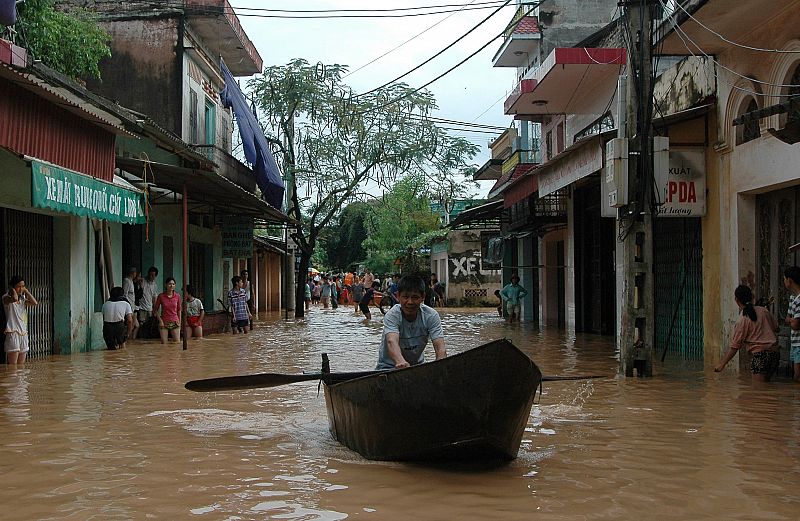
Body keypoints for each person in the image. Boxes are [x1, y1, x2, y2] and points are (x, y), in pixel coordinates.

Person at [376, 274, 447, 370]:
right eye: (405, 297)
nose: (409, 302)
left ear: (423, 297)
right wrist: (400, 362)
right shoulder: (393, 315)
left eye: (415, 297)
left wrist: (440, 367)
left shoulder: (431, 316)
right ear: (398, 296)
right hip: (388, 368)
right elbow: (391, 341)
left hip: (417, 367)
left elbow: (440, 348)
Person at [715, 285, 780, 382]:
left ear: (736, 300)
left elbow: (735, 346)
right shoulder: (764, 311)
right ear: (752, 297)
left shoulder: (742, 320)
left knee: (757, 391)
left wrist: (722, 364)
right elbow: (777, 328)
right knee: (766, 388)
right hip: (774, 354)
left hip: (759, 356)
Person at [2, 275, 38, 365]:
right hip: (13, 332)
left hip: (23, 333)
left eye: (23, 286)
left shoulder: (22, 300)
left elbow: (34, 302)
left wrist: (25, 290)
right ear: (13, 287)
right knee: (13, 367)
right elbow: (14, 299)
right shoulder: (6, 298)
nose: (21, 289)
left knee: (21, 367)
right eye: (19, 286)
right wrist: (13, 290)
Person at [153, 277, 181, 344]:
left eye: (173, 284)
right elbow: (155, 310)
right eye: (170, 284)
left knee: (177, 343)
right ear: (166, 285)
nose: (171, 286)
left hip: (175, 321)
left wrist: (179, 322)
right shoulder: (161, 296)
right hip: (163, 322)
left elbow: (179, 310)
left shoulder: (177, 296)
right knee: (164, 344)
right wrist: (160, 321)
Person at [784, 266, 800, 382]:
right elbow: (788, 319)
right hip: (796, 343)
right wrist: (791, 320)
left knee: (797, 377)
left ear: (789, 280)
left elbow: (795, 324)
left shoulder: (798, 300)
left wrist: (791, 320)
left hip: (799, 343)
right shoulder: (794, 299)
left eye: (784, 279)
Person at [138, 266, 159, 336]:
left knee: (149, 323)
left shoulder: (155, 285)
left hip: (150, 307)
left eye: (153, 275)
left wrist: (155, 309)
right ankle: (140, 336)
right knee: (141, 323)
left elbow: (154, 298)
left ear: (155, 276)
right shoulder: (143, 281)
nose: (151, 276)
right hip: (141, 306)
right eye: (150, 274)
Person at [122, 266, 140, 341]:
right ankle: (127, 339)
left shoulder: (131, 281)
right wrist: (128, 307)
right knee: (132, 325)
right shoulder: (126, 281)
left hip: (132, 307)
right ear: (133, 273)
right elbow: (125, 294)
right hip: (129, 307)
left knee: (136, 325)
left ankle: (132, 340)